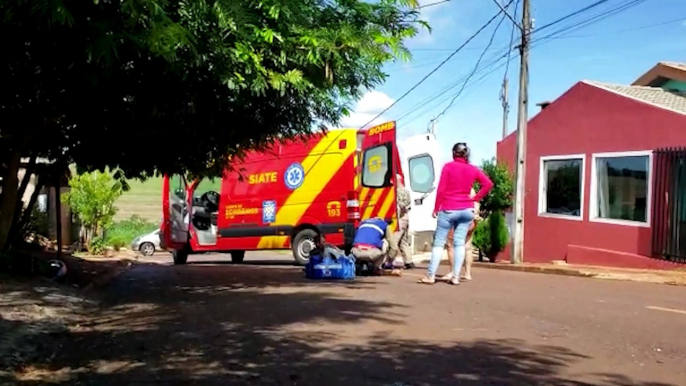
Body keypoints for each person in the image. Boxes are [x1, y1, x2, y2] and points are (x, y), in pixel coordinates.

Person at [418, 142, 493, 286]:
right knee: (460, 243)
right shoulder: (473, 169)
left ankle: (431, 275)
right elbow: (488, 184)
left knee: (439, 242)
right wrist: (475, 198)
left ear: (453, 153)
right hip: (466, 210)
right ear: (466, 154)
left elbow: (441, 189)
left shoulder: (448, 167)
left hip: (448, 208)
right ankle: (456, 277)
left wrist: (435, 208)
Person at [439, 188, 482, 282]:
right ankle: (467, 273)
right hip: (471, 219)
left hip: (457, 220)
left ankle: (453, 272)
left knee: (450, 245)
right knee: (467, 246)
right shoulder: (471, 189)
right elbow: (476, 204)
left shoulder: (457, 188)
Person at [395, 174, 415, 269]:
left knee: (395, 240)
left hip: (401, 218)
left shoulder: (399, 191)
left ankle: (387, 261)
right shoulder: (406, 190)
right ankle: (408, 261)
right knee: (404, 241)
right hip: (406, 217)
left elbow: (401, 205)